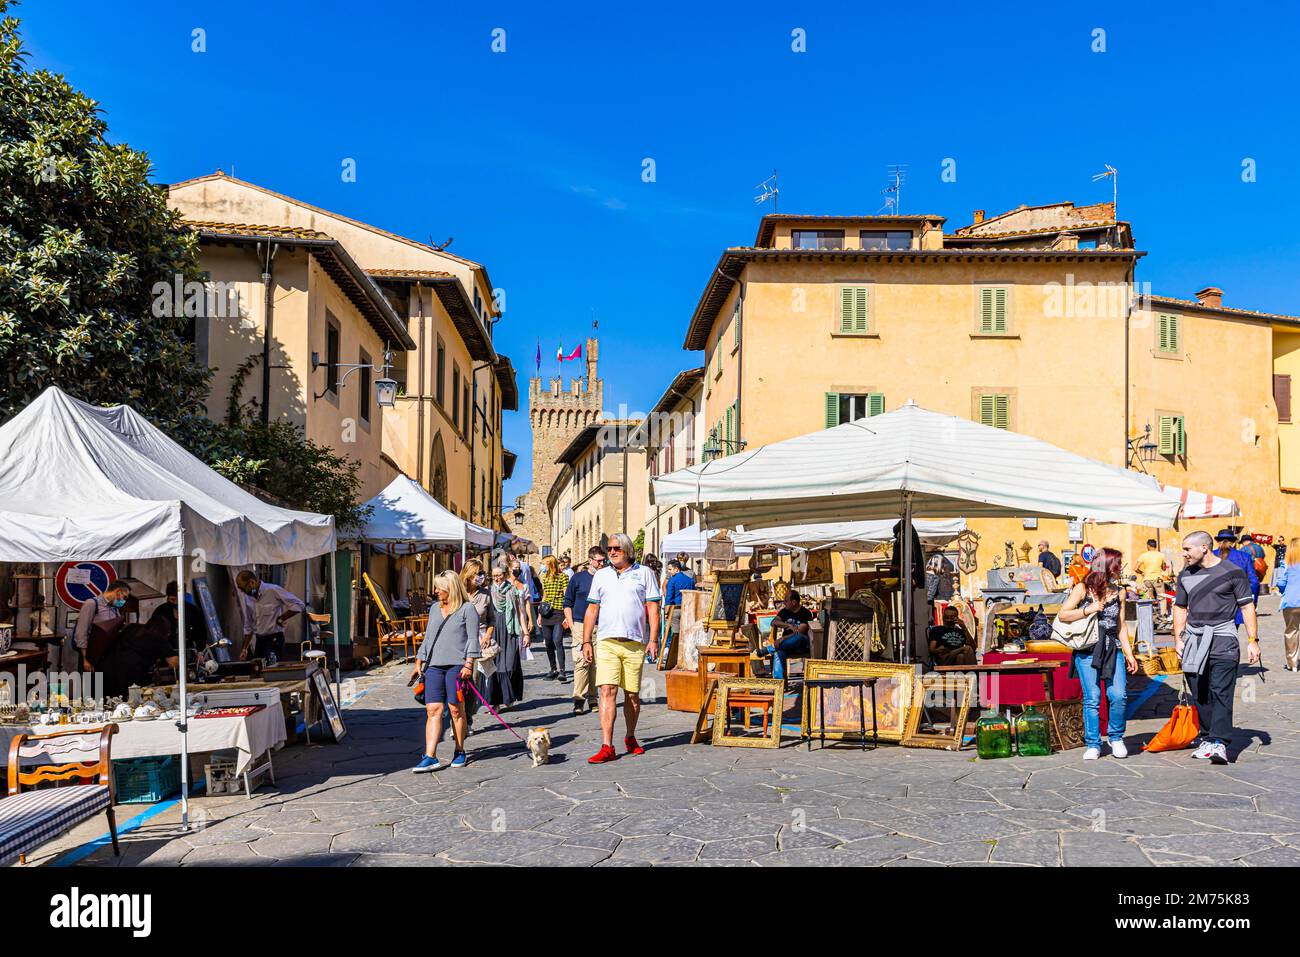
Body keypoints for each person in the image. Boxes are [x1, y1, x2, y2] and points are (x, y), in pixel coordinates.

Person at [1174, 530, 1260, 764]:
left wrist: (1252, 640)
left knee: (1221, 691)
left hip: (1224, 639)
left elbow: (1246, 607)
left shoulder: (1233, 572)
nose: (1184, 554)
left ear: (1204, 547)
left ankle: (1219, 742)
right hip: (1194, 640)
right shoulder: (1185, 574)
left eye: (1187, 549)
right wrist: (1178, 638)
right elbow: (1180, 607)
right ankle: (1208, 738)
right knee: (1199, 692)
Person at [582, 532, 661, 763]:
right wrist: (586, 641)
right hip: (607, 641)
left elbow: (653, 609)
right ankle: (607, 745)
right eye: (609, 549)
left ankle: (630, 736)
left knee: (633, 695)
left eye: (617, 548)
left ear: (628, 550)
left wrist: (653, 639)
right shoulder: (601, 575)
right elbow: (592, 610)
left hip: (634, 643)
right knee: (607, 691)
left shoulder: (644, 573)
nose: (612, 552)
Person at [1057, 547, 1138, 761]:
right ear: (1107, 566)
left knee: (1118, 695)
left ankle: (1116, 737)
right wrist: (1089, 609)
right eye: (1117, 564)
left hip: (1113, 648)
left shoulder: (1120, 592)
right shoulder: (1082, 588)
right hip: (1087, 649)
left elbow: (1120, 625)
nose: (1120, 568)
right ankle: (1093, 743)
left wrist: (1129, 653)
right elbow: (1063, 614)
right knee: (1092, 698)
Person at [409, 571, 480, 772]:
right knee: (433, 710)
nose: (436, 591)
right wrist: (418, 661)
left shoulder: (468, 609)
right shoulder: (434, 609)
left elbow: (473, 639)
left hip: (457, 667)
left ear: (451, 588)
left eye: (439, 587)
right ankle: (430, 756)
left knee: (456, 710)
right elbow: (428, 637)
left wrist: (469, 664)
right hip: (434, 666)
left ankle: (459, 750)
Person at [564, 545, 606, 714]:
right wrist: (572, 624)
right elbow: (567, 602)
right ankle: (579, 699)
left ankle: (593, 699)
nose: (603, 564)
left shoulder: (607, 578)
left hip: (601, 625)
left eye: (604, 561)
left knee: (596, 664)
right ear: (590, 561)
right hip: (580, 624)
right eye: (600, 561)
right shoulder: (578, 578)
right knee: (582, 662)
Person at [97, 617, 180, 698]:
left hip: (107, 669)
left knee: (105, 704)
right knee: (130, 704)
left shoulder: (132, 627)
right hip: (131, 676)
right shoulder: (159, 639)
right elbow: (174, 662)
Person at [235, 570, 305, 662]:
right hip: (259, 641)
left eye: (244, 589)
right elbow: (249, 625)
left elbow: (299, 604)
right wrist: (244, 649)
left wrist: (282, 618)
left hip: (274, 640)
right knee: (257, 669)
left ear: (252, 582)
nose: (243, 592)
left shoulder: (273, 590)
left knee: (270, 669)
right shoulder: (248, 598)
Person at [460, 560, 495, 733]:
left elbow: (492, 620)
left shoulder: (486, 595)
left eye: (482, 573)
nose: (480, 577)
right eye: (477, 573)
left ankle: (468, 718)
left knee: (472, 682)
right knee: (456, 682)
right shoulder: (458, 593)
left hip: (477, 644)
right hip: (458, 643)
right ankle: (456, 719)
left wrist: (488, 635)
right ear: (468, 574)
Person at [485, 562, 525, 710]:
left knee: (509, 665)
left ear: (505, 575)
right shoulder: (488, 591)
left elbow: (520, 612)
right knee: (494, 666)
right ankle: (495, 702)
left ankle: (509, 696)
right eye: (494, 576)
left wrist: (525, 632)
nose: (496, 579)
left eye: (499, 575)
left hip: (510, 630)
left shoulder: (513, 590)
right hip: (493, 629)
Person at [74, 580, 131, 668]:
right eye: (125, 597)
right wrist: (86, 659)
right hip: (91, 655)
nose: (124, 601)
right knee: (92, 681)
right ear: (118, 591)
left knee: (102, 681)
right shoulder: (92, 604)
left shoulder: (114, 609)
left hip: (106, 655)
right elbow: (81, 633)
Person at [762, 589, 813, 680]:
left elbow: (800, 632)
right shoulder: (784, 611)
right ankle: (779, 685)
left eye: (786, 601)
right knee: (778, 653)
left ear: (793, 602)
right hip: (785, 646)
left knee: (799, 637)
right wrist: (787, 625)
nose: (784, 603)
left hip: (801, 646)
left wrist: (782, 639)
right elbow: (774, 622)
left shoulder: (805, 613)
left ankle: (770, 649)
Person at [148, 581, 206, 658]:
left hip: (190, 654)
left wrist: (200, 652)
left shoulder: (194, 612)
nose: (176, 603)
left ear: (184, 596)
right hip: (165, 656)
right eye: (172, 599)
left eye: (179, 599)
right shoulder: (160, 611)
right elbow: (153, 636)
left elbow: (201, 635)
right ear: (167, 597)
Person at [1213, 529, 1259, 625]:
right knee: (1232, 633)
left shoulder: (1210, 556)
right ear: (1234, 543)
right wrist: (1251, 602)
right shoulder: (1244, 557)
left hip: (1213, 604)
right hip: (1237, 603)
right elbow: (1254, 582)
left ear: (1218, 542)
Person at [538, 555, 569, 681]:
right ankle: (553, 669)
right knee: (548, 642)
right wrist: (540, 614)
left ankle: (562, 671)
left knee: (557, 640)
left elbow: (567, 596)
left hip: (559, 612)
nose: (543, 567)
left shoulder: (563, 577)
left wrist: (567, 615)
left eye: (544, 564)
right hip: (547, 613)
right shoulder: (544, 578)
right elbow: (544, 596)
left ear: (550, 564)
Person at [1273, 538, 1300, 671]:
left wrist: (1286, 591)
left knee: (1291, 631)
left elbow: (1281, 582)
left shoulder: (1286, 564)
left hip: (1291, 601)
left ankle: (1292, 663)